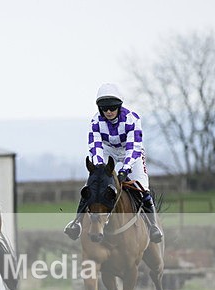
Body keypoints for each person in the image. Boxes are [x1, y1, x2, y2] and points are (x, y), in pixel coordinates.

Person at [64, 83, 163, 243]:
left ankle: (153, 225)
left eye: (112, 108)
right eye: (104, 108)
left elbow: (134, 147)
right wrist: (99, 169)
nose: (108, 112)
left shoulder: (132, 119)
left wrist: (125, 169)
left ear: (119, 106)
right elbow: (95, 146)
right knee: (92, 185)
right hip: (107, 150)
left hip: (129, 152)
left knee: (142, 186)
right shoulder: (95, 122)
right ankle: (77, 223)